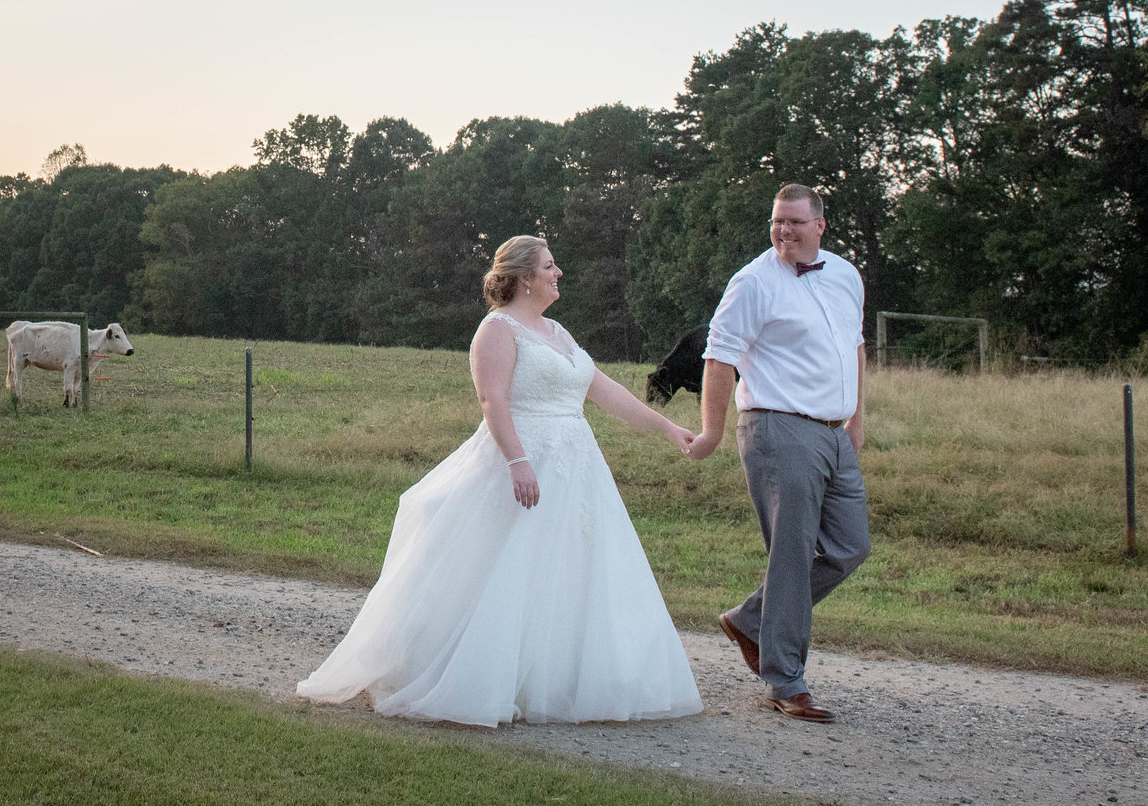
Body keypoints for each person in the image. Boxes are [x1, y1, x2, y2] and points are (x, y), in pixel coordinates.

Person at [297, 234, 704, 726]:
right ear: (525, 277)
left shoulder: (558, 332)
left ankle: (563, 679)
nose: (559, 274)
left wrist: (666, 427)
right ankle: (475, 674)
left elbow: (602, 390)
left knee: (570, 570)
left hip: (576, 465)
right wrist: (518, 461)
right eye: (551, 266)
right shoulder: (497, 330)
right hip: (521, 458)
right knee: (507, 569)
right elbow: (493, 401)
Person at [681, 182, 870, 722]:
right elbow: (718, 359)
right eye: (776, 222)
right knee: (791, 555)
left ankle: (751, 619)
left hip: (834, 432)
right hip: (778, 428)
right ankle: (785, 680)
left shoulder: (845, 275)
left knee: (850, 547)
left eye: (794, 221)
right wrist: (712, 433)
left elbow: (855, 345)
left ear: (820, 225)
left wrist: (857, 416)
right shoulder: (753, 283)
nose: (783, 230)